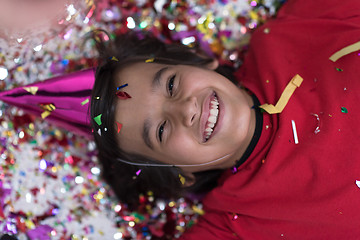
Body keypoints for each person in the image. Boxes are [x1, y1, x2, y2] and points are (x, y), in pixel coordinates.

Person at [90, 0, 360, 238]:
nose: (186, 110)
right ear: (180, 173)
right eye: (161, 130)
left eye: (171, 85)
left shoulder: (292, 30)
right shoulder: (233, 224)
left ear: (199, 61)